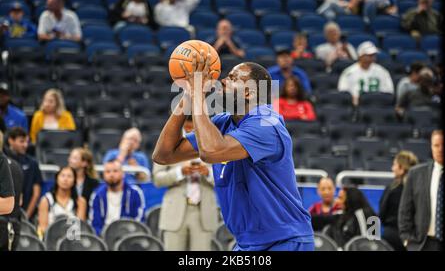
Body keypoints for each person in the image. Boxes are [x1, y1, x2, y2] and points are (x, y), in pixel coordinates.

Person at [152, 56, 315, 251]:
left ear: (248, 92)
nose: (222, 80)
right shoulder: (223, 122)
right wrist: (187, 97)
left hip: (285, 239)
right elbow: (163, 155)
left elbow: (211, 152)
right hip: (247, 243)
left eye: (232, 78)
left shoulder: (267, 124)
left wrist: (197, 95)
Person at [153, 116, 219, 251]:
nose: (190, 130)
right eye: (187, 127)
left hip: (204, 213)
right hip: (174, 212)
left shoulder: (213, 142)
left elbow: (224, 177)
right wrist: (179, 172)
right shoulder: (168, 142)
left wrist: (208, 173)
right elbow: (157, 179)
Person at [398, 130, 444, 251]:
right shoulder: (416, 173)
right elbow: (405, 210)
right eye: (436, 145)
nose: (440, 149)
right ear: (431, 147)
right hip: (424, 244)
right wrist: (407, 240)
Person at [89, 160, 145, 235]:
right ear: (104, 175)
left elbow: (139, 219)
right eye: (108, 172)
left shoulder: (135, 193)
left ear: (123, 174)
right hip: (104, 236)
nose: (111, 175)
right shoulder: (97, 195)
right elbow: (94, 223)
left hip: (128, 236)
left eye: (115, 171)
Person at [379, 150, 418, 251]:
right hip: (413, 238)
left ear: (401, 168)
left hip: (391, 236)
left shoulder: (391, 189)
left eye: (394, 165)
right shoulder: (419, 189)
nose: (392, 168)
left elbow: (382, 213)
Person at [338, 41, 394, 106]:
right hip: (356, 106)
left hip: (378, 105)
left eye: (373, 55)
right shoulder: (349, 72)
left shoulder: (382, 71)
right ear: (361, 56)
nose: (372, 57)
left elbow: (389, 91)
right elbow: (343, 91)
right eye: (369, 55)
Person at [37, 166, 87, 237]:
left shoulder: (80, 201)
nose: (65, 179)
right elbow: (43, 228)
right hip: (50, 240)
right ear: (57, 179)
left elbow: (80, 227)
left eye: (69, 176)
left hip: (73, 241)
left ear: (74, 181)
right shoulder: (46, 200)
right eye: (62, 175)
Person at [4, 127, 42, 220]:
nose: (25, 145)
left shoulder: (33, 163)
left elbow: (36, 193)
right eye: (21, 141)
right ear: (11, 140)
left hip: (26, 214)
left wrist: (26, 216)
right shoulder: (3, 162)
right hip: (5, 214)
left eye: (27, 142)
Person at [0, 130, 23, 251]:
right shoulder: (16, 166)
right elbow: (20, 200)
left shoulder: (3, 162)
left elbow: (9, 203)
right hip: (11, 224)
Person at [68, 147, 99, 212]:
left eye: (74, 158)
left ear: (84, 163)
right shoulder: (65, 180)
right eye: (70, 157)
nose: (70, 160)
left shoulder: (94, 183)